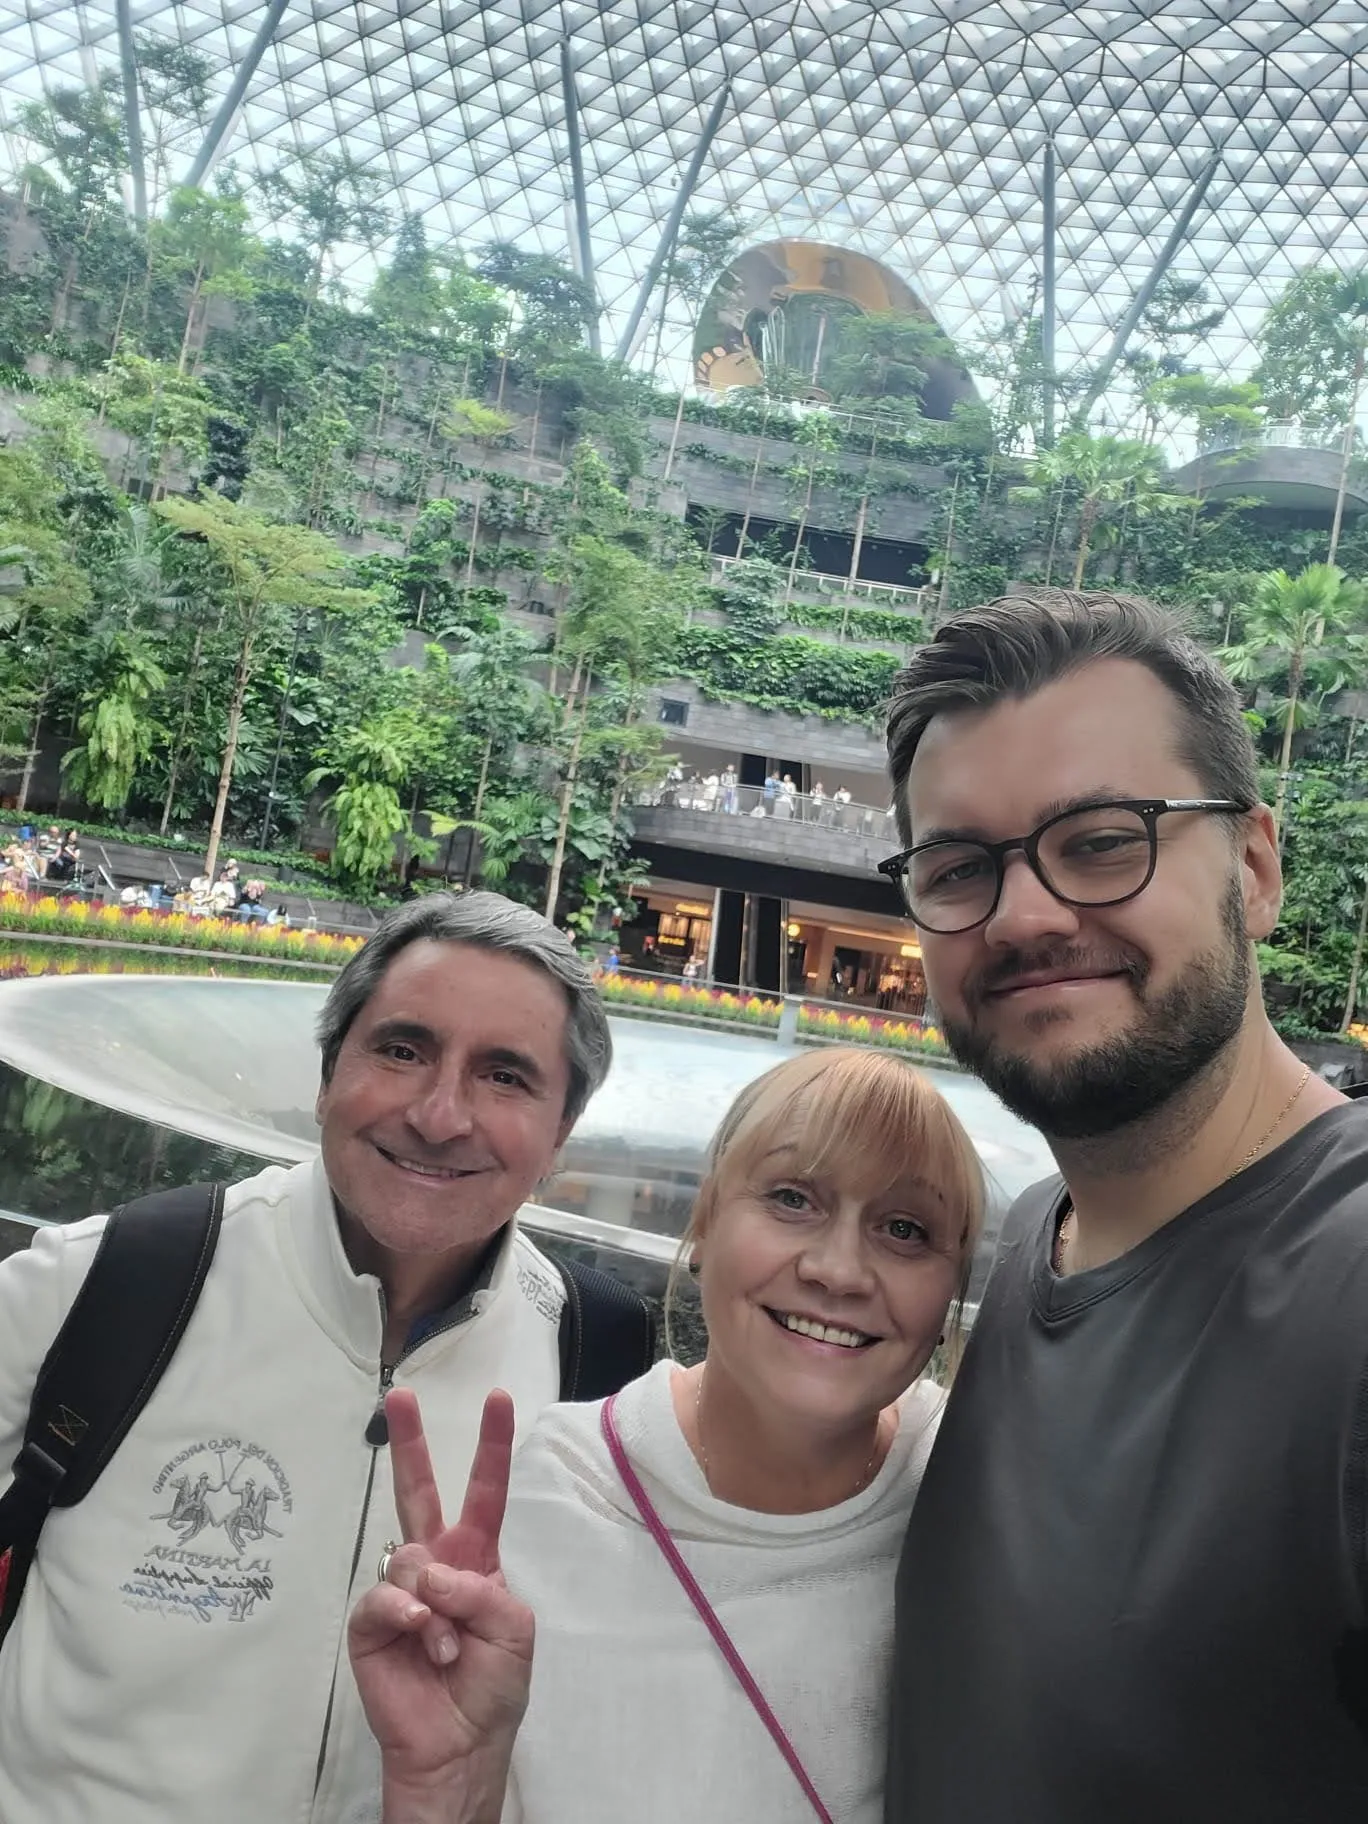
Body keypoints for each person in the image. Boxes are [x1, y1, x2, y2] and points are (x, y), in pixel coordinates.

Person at [877, 588, 1368, 1821]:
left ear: (1253, 870)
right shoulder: (1038, 1228)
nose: (1027, 914)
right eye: (959, 866)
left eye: (1102, 838)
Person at [0, 891, 633, 1823]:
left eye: (506, 1077)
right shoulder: (102, 1286)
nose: (442, 1113)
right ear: (330, 1069)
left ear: (560, 1137)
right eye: (403, 1049)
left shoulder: (595, 1365)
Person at [349, 1047, 985, 1824]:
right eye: (792, 1198)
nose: (839, 1270)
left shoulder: (980, 1497)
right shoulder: (552, 1495)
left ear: (953, 1290)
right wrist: (442, 1794)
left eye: (906, 1229)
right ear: (708, 1220)